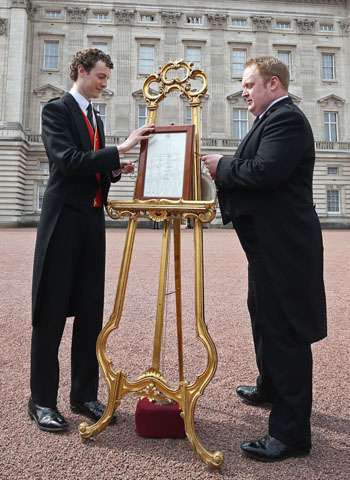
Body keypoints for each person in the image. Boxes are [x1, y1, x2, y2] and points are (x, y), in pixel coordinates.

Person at [202, 56, 327, 462]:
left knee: (284, 332)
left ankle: (290, 436)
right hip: (269, 246)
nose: (244, 91)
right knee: (262, 315)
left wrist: (222, 166)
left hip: (285, 248)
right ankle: (270, 387)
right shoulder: (268, 119)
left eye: (249, 84)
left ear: (273, 84)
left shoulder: (286, 119)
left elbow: (264, 172)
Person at [29, 48, 154, 432]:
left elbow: (91, 166)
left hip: (90, 222)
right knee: (50, 314)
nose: (104, 84)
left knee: (89, 313)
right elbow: (67, 161)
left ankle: (83, 395)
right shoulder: (56, 110)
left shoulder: (94, 116)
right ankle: (41, 401)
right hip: (62, 221)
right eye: (100, 77)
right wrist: (120, 149)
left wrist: (115, 168)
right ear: (82, 71)